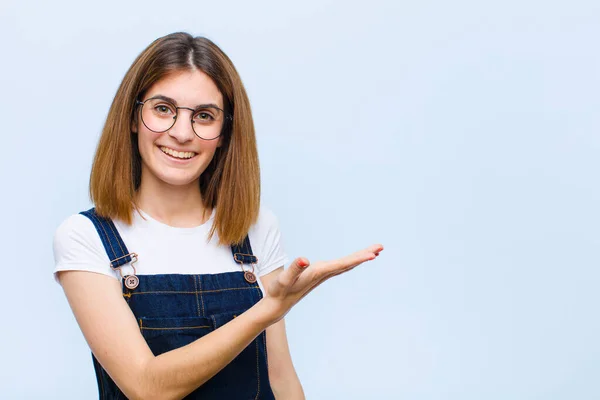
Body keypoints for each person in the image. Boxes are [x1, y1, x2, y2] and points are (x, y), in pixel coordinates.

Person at [53, 32, 383, 400]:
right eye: (163, 109)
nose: (181, 133)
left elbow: (282, 379)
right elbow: (146, 386)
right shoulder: (85, 237)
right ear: (133, 118)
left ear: (225, 132)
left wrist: (273, 311)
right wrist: (266, 311)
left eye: (204, 116)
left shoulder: (255, 228)